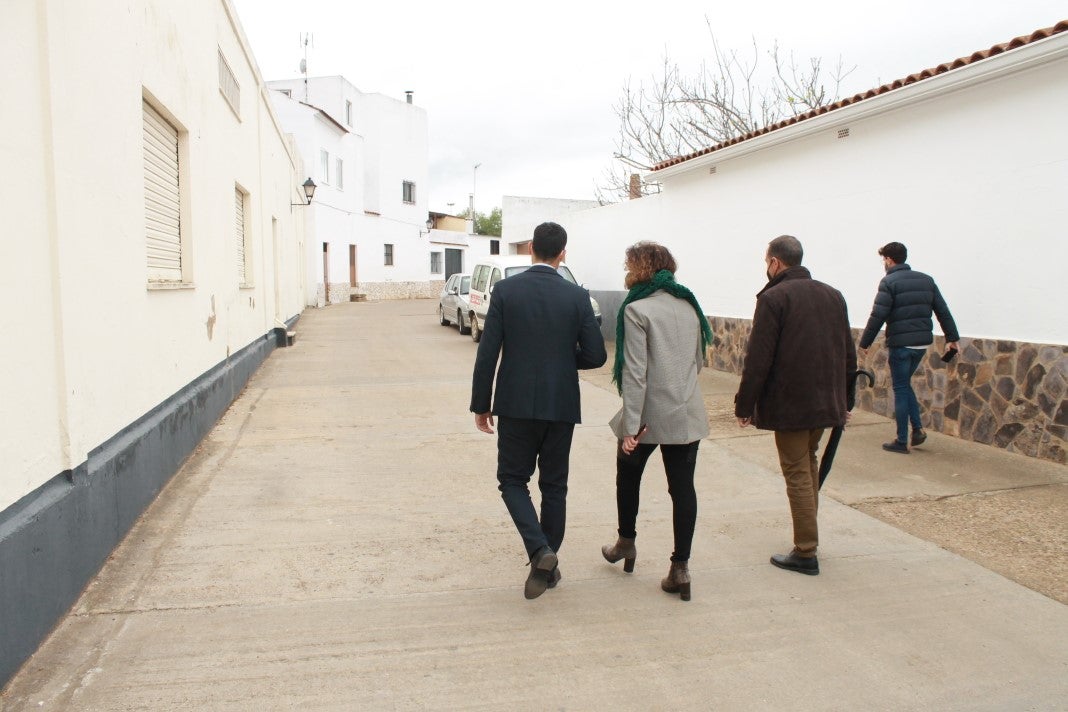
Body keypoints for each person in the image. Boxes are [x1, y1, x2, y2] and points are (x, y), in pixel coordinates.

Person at [470, 222, 607, 600]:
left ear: (531, 248)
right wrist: (562, 361)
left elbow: (488, 352)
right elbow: (596, 355)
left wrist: (481, 404)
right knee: (554, 486)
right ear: (563, 252)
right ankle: (547, 565)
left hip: (514, 403)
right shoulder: (577, 297)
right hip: (560, 403)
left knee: (512, 481)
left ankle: (540, 552)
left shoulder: (505, 290)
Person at [734, 235, 855, 576]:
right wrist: (847, 399)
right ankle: (809, 538)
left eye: (766, 262)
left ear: (775, 262)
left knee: (797, 471)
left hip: (791, 403)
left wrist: (745, 404)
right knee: (809, 462)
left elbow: (759, 359)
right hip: (824, 400)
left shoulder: (775, 298)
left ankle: (806, 550)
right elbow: (848, 352)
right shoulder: (833, 295)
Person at [601, 242, 713, 601]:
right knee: (683, 490)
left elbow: (635, 374)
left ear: (641, 268)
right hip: (686, 411)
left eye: (629, 263)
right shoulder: (690, 306)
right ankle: (680, 567)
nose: (626, 269)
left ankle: (626, 542)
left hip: (648, 415)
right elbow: (698, 361)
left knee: (627, 471)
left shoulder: (636, 309)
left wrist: (631, 427)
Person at [859, 242, 959, 454]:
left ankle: (901, 440)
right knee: (905, 385)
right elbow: (942, 310)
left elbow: (878, 315)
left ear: (889, 259)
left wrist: (865, 342)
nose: (883, 264)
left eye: (883, 260)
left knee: (901, 388)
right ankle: (918, 430)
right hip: (921, 344)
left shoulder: (889, 282)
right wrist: (952, 337)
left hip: (901, 345)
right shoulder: (926, 280)